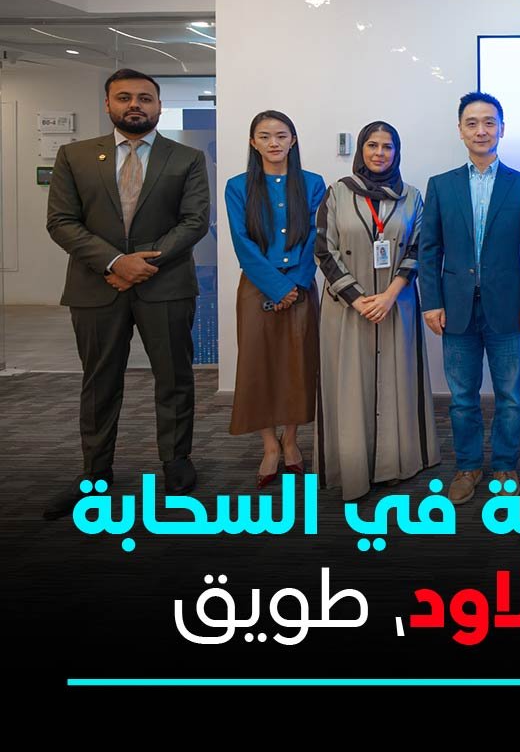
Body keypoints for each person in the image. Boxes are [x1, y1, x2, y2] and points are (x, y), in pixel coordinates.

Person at [43, 68, 210, 519]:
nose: (135, 104)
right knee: (99, 382)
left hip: (167, 286)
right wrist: (116, 263)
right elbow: (61, 221)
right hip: (96, 286)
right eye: (124, 97)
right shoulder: (75, 155)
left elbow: (194, 221)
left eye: (144, 98)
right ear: (108, 104)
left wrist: (141, 266)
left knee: (174, 378)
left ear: (158, 106)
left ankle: (176, 462)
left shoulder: (186, 158)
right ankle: (95, 473)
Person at [419, 92, 520, 505]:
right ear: (460, 130)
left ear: (502, 129)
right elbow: (429, 250)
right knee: (462, 398)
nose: (481, 130)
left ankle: (505, 465)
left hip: (507, 307)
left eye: (489, 122)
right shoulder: (441, 185)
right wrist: (431, 302)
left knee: (509, 396)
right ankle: (468, 467)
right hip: (455, 308)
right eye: (472, 123)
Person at [316, 121, 438, 501]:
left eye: (388, 146)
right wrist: (357, 298)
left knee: (396, 381)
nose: (380, 153)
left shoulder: (412, 197)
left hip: (395, 304)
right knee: (350, 383)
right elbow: (323, 249)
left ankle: (393, 464)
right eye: (372, 145)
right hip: (346, 308)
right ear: (361, 150)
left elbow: (419, 248)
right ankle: (353, 468)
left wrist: (388, 296)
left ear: (397, 153)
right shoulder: (337, 192)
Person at [225, 110, 326, 486]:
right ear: (253, 142)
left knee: (298, 364)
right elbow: (242, 242)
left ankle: (291, 440)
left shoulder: (313, 183)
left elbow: (317, 236)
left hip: (301, 285)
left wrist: (294, 284)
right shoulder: (238, 186)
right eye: (265, 136)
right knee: (258, 365)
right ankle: (269, 445)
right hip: (257, 287)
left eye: (281, 136)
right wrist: (277, 287)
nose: (274, 143)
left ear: (293, 141)